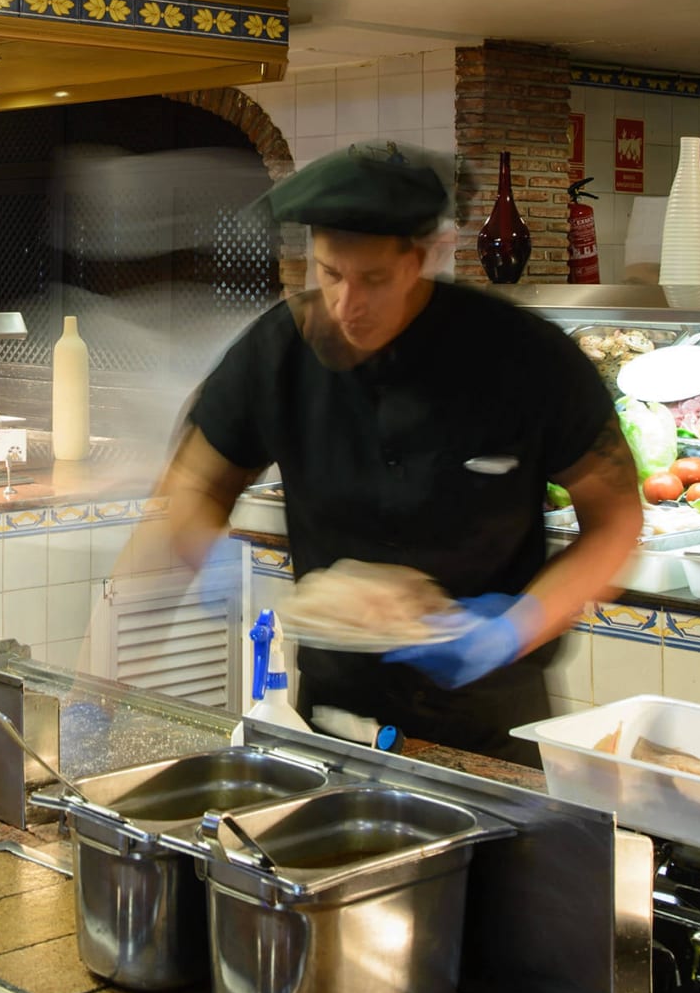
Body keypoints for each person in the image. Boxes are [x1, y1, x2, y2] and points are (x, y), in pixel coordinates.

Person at [113, 144, 642, 758]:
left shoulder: (523, 355)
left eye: (373, 279)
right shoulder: (278, 353)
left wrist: (518, 624)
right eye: (330, 274)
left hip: (493, 719)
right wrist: (207, 558)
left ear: (420, 258)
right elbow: (196, 483)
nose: (346, 305)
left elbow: (615, 519)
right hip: (335, 714)